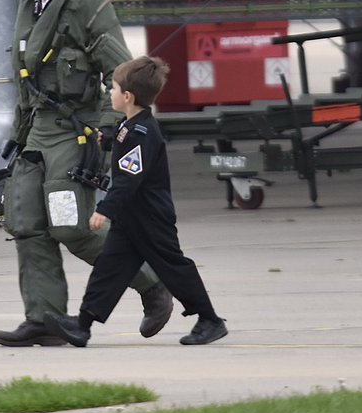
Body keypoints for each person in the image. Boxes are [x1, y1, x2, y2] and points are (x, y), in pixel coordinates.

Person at [0, 0, 173, 347]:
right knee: (26, 223)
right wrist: (16, 139)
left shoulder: (88, 2)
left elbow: (126, 75)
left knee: (72, 226)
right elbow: (25, 79)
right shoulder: (31, 1)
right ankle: (45, 317)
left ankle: (153, 284)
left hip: (78, 133)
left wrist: (116, 134)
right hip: (35, 133)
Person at [43, 56, 228, 347]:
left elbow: (129, 181)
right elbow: (123, 144)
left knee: (174, 268)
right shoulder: (131, 126)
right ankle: (82, 325)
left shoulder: (141, 133)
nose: (110, 94)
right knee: (109, 269)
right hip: (131, 219)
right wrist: (109, 139)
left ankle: (210, 320)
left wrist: (103, 210)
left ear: (127, 96)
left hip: (151, 219)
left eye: (113, 89)